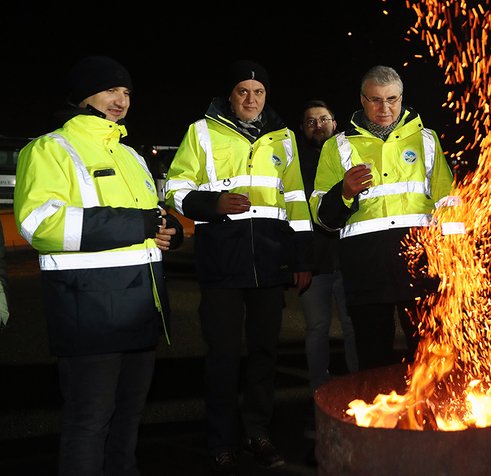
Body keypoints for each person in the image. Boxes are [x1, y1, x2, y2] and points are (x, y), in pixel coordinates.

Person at [13, 55, 183, 476]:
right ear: (83, 94)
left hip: (141, 310)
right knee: (89, 424)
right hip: (89, 313)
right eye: (111, 90)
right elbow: (40, 223)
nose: (121, 100)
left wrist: (169, 230)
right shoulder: (49, 149)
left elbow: (153, 214)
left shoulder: (132, 155)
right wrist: (136, 223)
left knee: (129, 420)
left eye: (126, 92)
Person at [164, 59, 313, 475]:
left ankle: (257, 434)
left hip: (269, 261)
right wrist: (211, 205)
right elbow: (175, 188)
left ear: (267, 96)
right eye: (243, 91)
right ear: (230, 95)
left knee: (265, 353)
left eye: (259, 91)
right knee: (223, 357)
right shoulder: (201, 131)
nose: (251, 98)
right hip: (222, 261)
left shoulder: (283, 136)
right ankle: (220, 440)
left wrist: (301, 258)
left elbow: (297, 198)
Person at [309, 65, 454, 370]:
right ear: (362, 100)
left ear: (402, 98)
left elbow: (447, 202)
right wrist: (344, 192)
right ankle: (378, 416)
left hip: (419, 260)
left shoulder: (427, 140)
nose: (384, 108)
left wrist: (455, 261)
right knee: (372, 357)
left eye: (392, 99)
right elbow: (322, 216)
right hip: (365, 264)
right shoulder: (337, 146)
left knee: (429, 354)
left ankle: (425, 416)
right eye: (375, 99)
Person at [296, 99, 358, 434]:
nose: (318, 125)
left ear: (335, 122)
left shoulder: (347, 152)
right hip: (315, 263)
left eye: (323, 119)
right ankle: (319, 396)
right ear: (303, 129)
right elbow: (297, 216)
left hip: (349, 260)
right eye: (310, 121)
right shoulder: (298, 163)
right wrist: (300, 261)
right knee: (317, 330)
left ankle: (358, 391)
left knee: (353, 328)